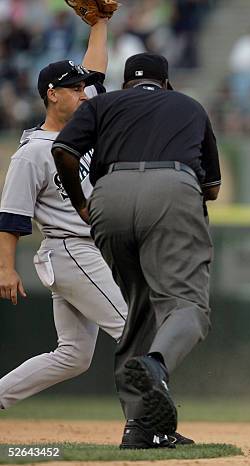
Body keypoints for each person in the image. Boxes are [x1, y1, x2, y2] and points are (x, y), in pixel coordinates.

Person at [0, 19, 193, 450]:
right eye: (75, 89)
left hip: (88, 253)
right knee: (135, 330)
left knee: (71, 355)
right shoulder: (32, 153)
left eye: (85, 88)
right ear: (52, 94)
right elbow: (11, 217)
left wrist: (100, 25)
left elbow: (96, 71)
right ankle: (149, 425)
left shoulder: (86, 128)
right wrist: (5, 268)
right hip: (72, 250)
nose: (85, 94)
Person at [51, 52, 221, 449]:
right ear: (166, 83)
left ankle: (141, 426)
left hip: (108, 196)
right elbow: (212, 187)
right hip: (170, 190)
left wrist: (80, 200)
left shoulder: (102, 104)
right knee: (186, 306)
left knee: (139, 312)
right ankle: (156, 364)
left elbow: (63, 150)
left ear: (126, 82)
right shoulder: (188, 105)